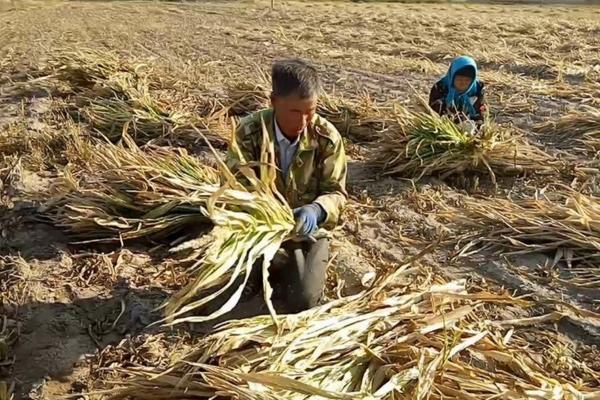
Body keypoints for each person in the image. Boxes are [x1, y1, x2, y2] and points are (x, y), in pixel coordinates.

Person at [226, 58, 347, 313]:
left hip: (307, 231)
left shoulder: (326, 137)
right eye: (295, 112)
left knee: (303, 299)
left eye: (310, 111)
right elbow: (235, 189)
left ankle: (287, 265)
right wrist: (264, 216)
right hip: (258, 228)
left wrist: (317, 210)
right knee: (232, 288)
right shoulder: (249, 133)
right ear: (274, 101)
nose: (304, 121)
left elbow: (336, 192)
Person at [428, 55, 487, 128]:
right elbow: (434, 113)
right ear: (452, 77)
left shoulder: (477, 89)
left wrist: (475, 126)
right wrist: (456, 123)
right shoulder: (440, 87)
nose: (463, 83)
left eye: (467, 80)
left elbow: (480, 115)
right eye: (459, 79)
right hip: (445, 125)